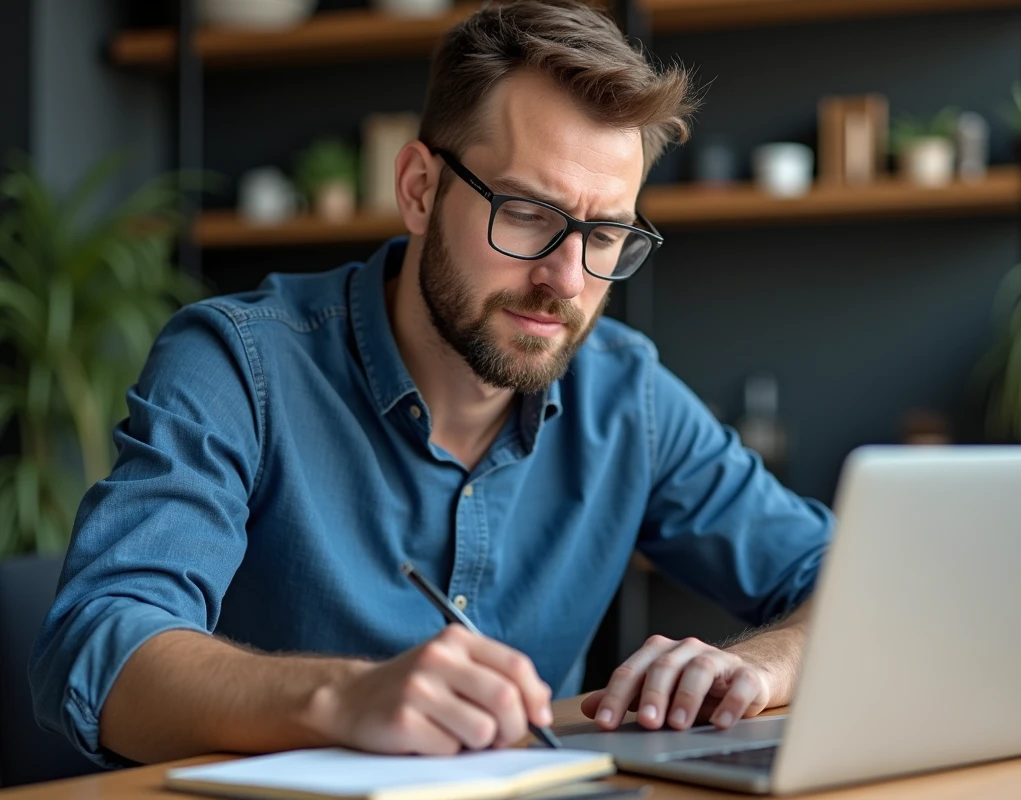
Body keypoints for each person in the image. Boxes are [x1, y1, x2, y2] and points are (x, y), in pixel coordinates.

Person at [29, 0, 832, 768]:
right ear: (418, 189)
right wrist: (341, 699)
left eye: (606, 234)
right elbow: (101, 647)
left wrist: (764, 666)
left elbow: (845, 574)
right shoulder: (239, 365)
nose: (565, 277)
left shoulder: (627, 395)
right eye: (524, 212)